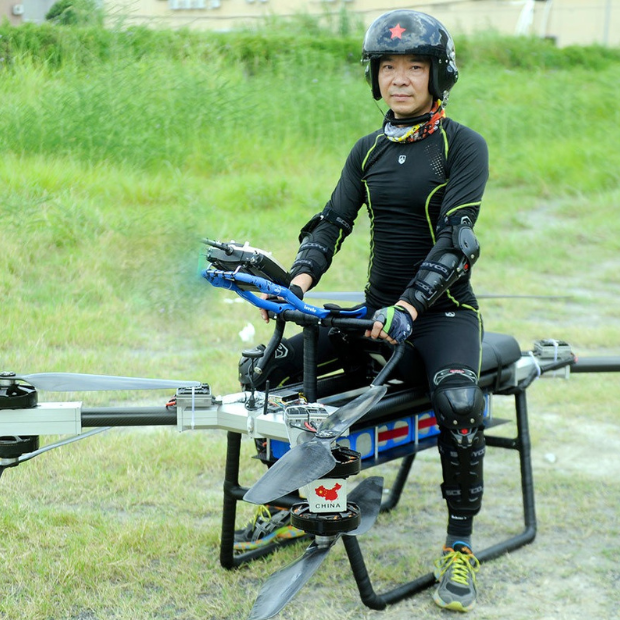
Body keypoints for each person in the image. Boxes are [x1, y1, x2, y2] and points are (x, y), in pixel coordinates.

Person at [235, 9, 488, 613]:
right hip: (377, 316)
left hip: (443, 316)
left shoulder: (464, 147)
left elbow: (457, 243)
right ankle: (289, 502)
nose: (400, 79)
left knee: (459, 403)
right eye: (388, 67)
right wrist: (296, 284)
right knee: (265, 372)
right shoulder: (367, 150)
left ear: (438, 75)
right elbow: (332, 222)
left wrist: (410, 305)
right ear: (375, 77)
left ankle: (458, 545)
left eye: (415, 67)